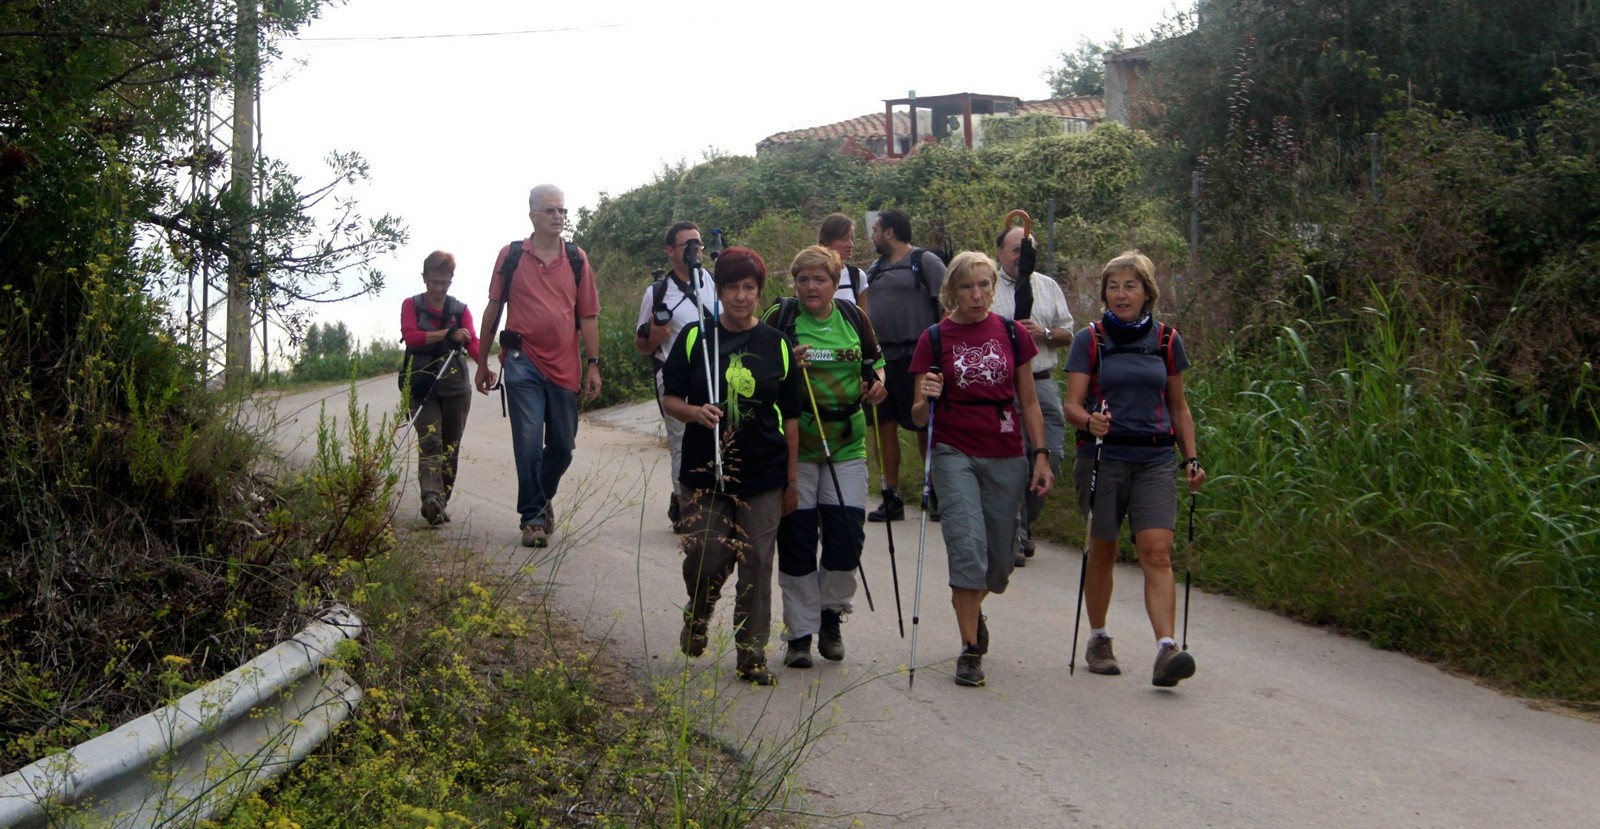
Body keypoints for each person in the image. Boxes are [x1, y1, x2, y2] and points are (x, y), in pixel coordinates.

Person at [1062, 250, 1207, 688]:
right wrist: (1089, 420)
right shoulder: (1090, 339)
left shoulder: (1166, 341)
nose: (1121, 294)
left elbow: (1179, 407)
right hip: (1103, 456)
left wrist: (1191, 458)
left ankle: (1166, 649)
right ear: (1104, 293)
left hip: (1155, 458)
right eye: (1113, 286)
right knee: (1102, 551)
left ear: (1147, 292)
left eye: (1130, 286)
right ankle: (1098, 639)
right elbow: (1071, 405)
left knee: (1157, 551)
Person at [909, 252, 1054, 687]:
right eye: (967, 287)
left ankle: (970, 605)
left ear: (993, 288)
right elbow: (918, 416)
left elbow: (1029, 401)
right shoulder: (934, 338)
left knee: (999, 564)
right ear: (952, 291)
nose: (976, 295)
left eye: (984, 285)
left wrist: (1041, 454)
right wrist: (926, 396)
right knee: (966, 547)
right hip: (954, 451)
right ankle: (969, 649)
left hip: (1006, 451)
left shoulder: (1012, 333)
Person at [661, 247, 801, 686]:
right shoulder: (695, 339)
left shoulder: (777, 344)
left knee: (757, 562)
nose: (741, 296)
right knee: (707, 555)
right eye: (732, 287)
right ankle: (699, 610)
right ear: (718, 291)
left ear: (759, 292)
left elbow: (790, 416)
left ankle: (751, 654)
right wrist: (695, 412)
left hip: (764, 471)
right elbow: (670, 398)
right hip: (705, 470)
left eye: (749, 287)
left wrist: (791, 480)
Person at [764, 245, 887, 668]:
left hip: (847, 446)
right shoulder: (781, 319)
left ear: (835, 284)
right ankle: (799, 634)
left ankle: (830, 615)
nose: (811, 287)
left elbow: (876, 363)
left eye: (820, 279)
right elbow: (756, 369)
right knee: (797, 541)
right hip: (796, 448)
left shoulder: (853, 318)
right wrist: (785, 363)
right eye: (803, 279)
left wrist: (878, 384)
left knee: (846, 538)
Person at [474, 184, 603, 549]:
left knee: (563, 445)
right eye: (550, 210)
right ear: (532, 216)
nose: (558, 216)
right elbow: (493, 308)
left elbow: (588, 315)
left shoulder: (576, 258)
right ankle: (532, 518)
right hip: (522, 362)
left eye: (562, 210)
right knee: (529, 442)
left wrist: (593, 364)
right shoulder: (512, 255)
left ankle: (541, 496)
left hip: (564, 366)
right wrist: (482, 361)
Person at [991, 225, 1074, 568]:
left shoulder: (1047, 285)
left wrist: (1045, 333)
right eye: (1015, 250)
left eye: (1027, 251)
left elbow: (1068, 332)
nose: (1021, 257)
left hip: (1041, 383)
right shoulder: (988, 286)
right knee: (1014, 461)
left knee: (1049, 456)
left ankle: (1024, 524)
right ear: (1000, 253)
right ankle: (1015, 534)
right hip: (1002, 386)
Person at [860, 209, 946, 523]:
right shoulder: (874, 269)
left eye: (876, 230)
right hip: (883, 360)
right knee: (884, 428)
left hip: (917, 358)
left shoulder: (925, 262)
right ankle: (891, 496)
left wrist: (941, 352)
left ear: (890, 233)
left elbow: (946, 305)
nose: (872, 236)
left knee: (924, 426)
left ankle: (936, 493)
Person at [635, 221, 716, 531]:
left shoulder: (715, 282)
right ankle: (688, 510)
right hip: (676, 377)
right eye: (688, 245)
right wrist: (655, 336)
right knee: (682, 443)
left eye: (699, 244)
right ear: (670, 251)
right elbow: (642, 345)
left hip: (714, 373)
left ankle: (711, 501)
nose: (696, 250)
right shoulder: (657, 293)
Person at [400, 251, 480, 526]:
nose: (438, 288)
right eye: (434, 281)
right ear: (424, 278)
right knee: (430, 440)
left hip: (455, 387)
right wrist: (447, 334)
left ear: (451, 280)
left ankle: (440, 502)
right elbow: (411, 337)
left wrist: (484, 366)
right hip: (421, 385)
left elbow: (472, 341)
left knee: (450, 446)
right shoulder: (411, 305)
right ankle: (431, 498)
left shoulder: (460, 310)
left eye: (444, 282)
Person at [817, 213, 865, 305]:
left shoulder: (857, 277)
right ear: (827, 241)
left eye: (852, 239)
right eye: (844, 239)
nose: (851, 245)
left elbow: (862, 313)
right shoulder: (811, 275)